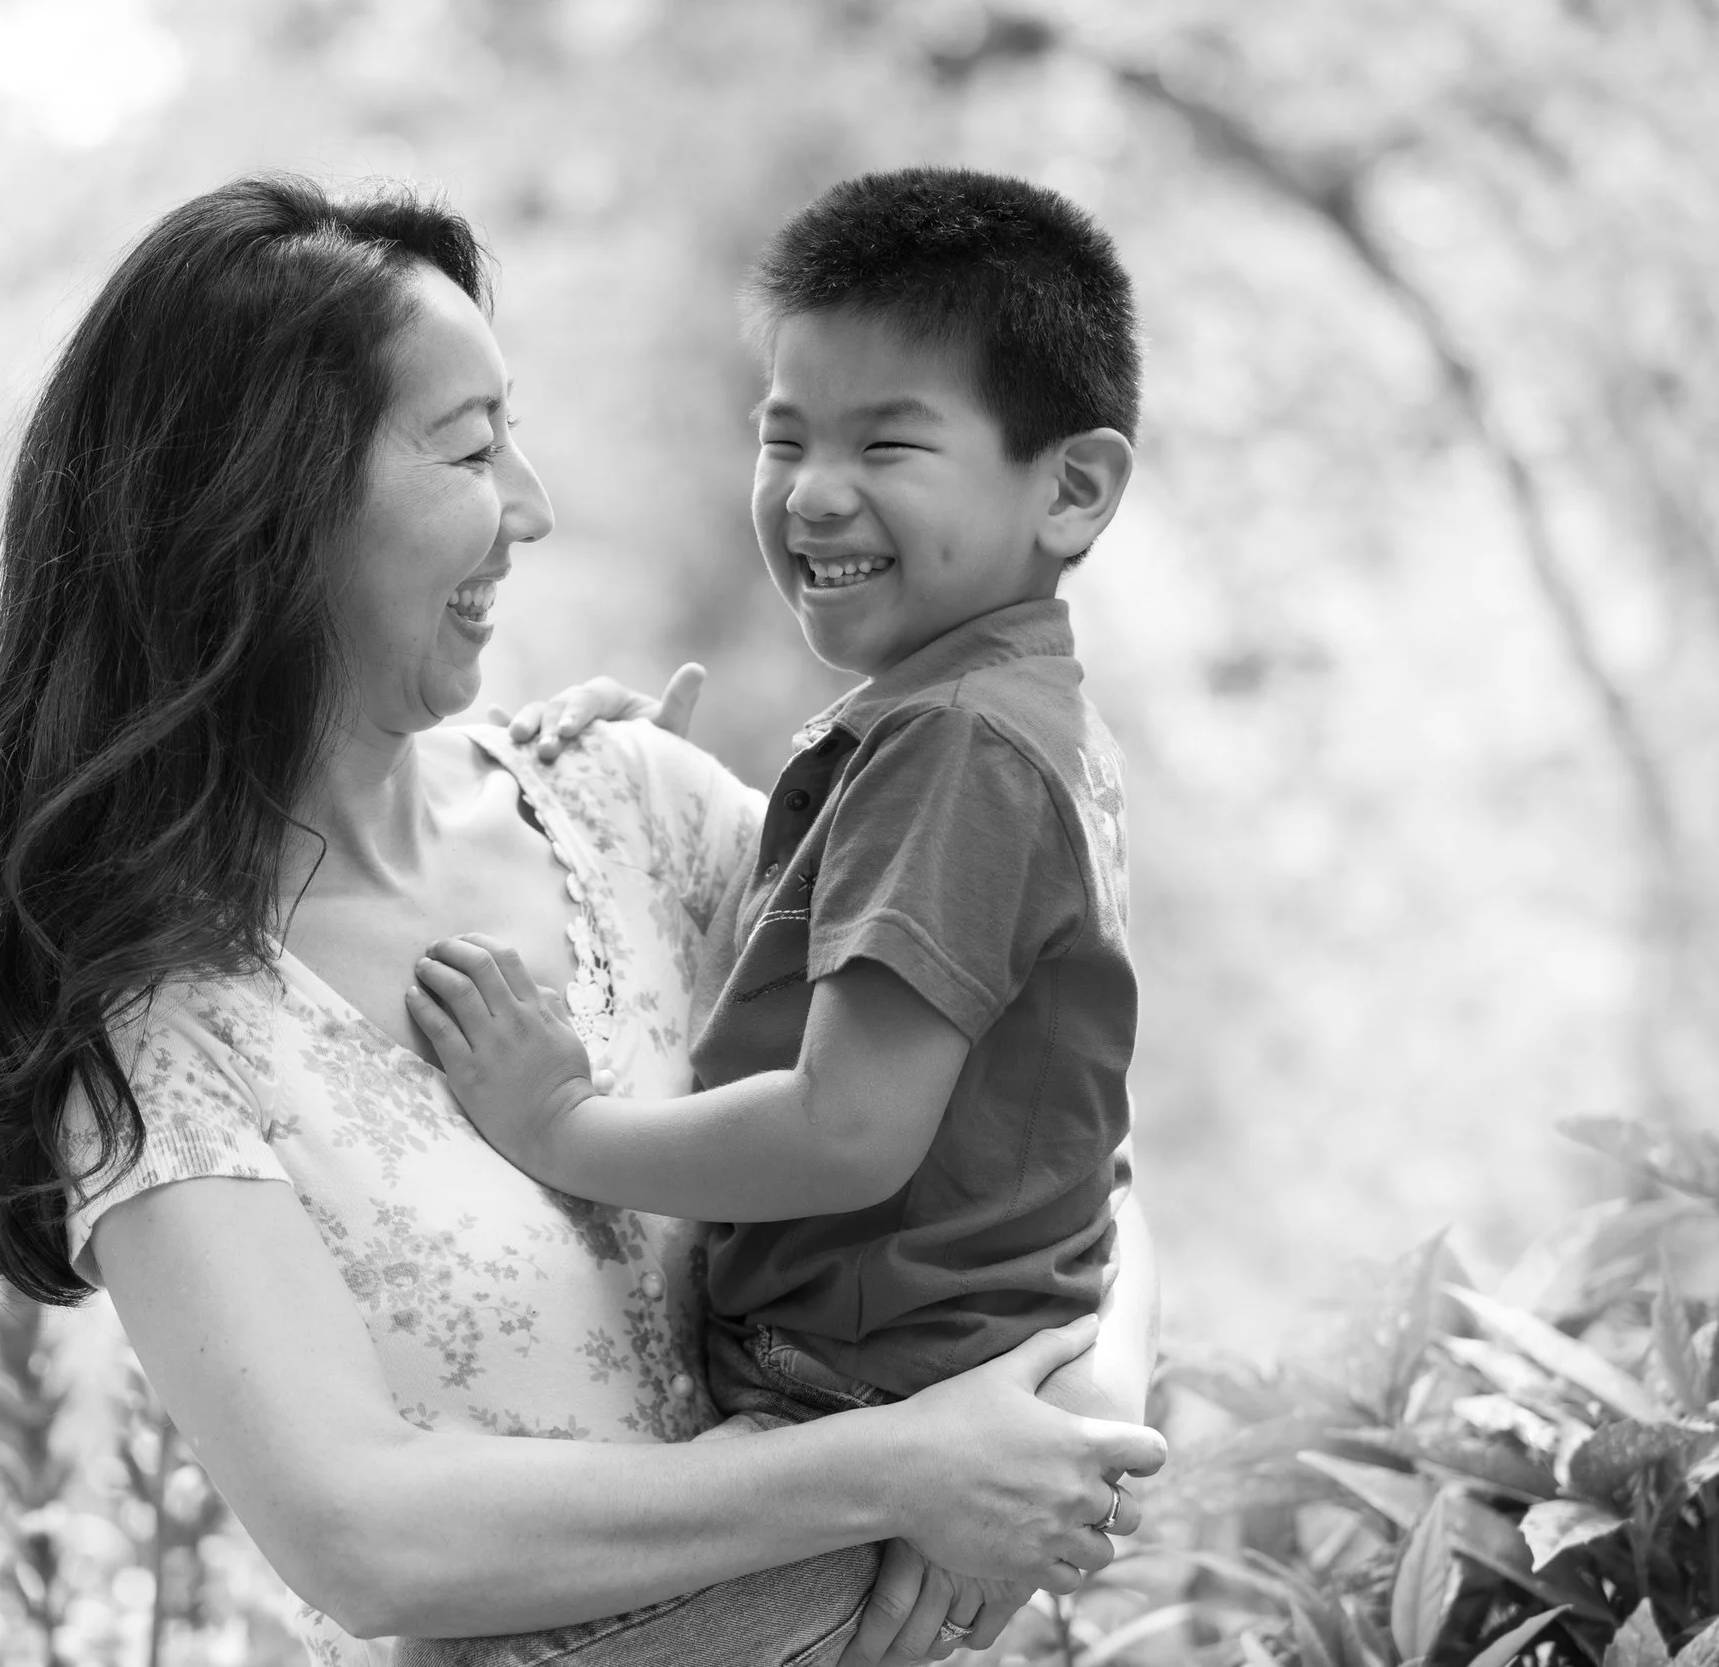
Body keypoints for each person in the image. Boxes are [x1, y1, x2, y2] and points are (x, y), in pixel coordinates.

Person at [0, 171, 1164, 1667]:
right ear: (266, 508)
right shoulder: (154, 1026)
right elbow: (370, 1537)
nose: (532, 507)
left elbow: (1053, 1133)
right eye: (473, 449)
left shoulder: (636, 811)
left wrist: (1070, 1420)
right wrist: (902, 1471)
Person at [413, 168, 1151, 1663]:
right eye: (784, 433)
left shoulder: (961, 749)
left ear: (1069, 488)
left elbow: (846, 1129)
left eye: (889, 440)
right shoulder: (972, 719)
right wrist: (641, 794)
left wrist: (557, 1122)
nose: (813, 489)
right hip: (883, 1401)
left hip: (880, 1431)